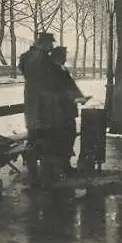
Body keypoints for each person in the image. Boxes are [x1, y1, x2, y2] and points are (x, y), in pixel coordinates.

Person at [18, 32, 63, 188]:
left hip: (31, 102)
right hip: (44, 104)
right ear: (43, 43)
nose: (51, 47)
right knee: (46, 139)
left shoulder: (26, 56)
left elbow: (24, 72)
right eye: (50, 44)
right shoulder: (44, 59)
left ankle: (33, 173)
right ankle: (45, 176)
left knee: (33, 136)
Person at [49, 46, 90, 176]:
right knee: (64, 137)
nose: (66, 58)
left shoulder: (61, 69)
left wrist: (80, 97)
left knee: (69, 136)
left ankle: (64, 165)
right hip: (60, 112)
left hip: (66, 111)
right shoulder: (54, 71)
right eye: (64, 55)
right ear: (58, 56)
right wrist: (75, 98)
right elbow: (60, 91)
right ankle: (62, 166)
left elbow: (71, 87)